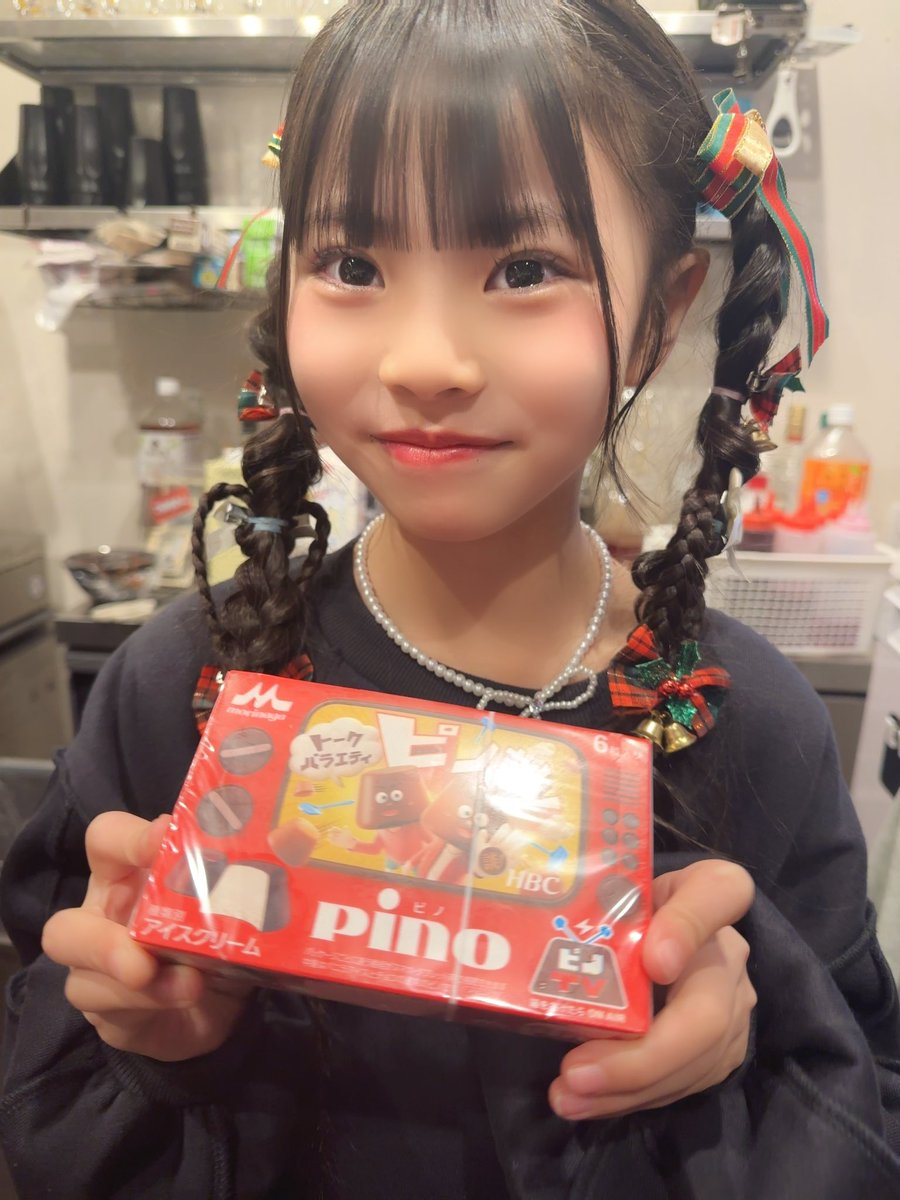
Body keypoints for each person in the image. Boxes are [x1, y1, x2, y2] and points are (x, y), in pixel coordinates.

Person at [2, 2, 898, 1197]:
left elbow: (867, 1098)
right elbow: (46, 1087)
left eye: (525, 270)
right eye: (353, 266)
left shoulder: (756, 725)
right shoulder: (184, 691)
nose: (423, 358)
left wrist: (739, 1038)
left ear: (666, 307)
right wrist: (149, 1039)